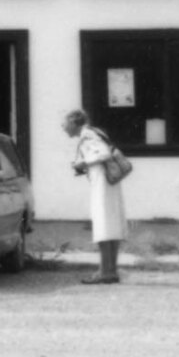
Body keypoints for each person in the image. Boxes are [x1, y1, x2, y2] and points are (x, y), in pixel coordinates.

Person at [63, 109, 125, 285]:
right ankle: (111, 271)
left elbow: (104, 153)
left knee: (103, 225)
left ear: (74, 122)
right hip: (109, 181)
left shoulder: (87, 135)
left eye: (65, 123)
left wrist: (83, 162)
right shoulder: (96, 131)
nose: (63, 127)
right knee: (111, 226)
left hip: (102, 183)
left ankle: (105, 272)